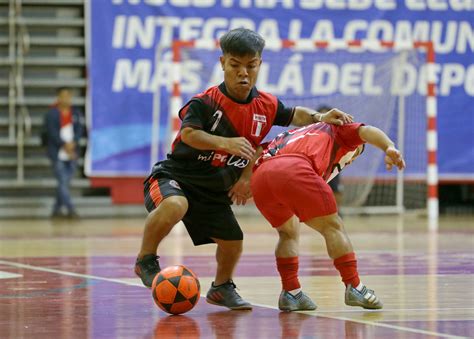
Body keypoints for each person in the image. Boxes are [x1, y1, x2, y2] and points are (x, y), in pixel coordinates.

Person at [134, 28, 354, 310]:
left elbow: (293, 114)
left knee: (233, 242)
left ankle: (221, 287)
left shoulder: (265, 104)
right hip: (174, 177)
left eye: (250, 66)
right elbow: (189, 135)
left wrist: (321, 116)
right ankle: (145, 260)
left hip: (213, 191)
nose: (243, 73)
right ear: (222, 62)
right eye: (235, 65)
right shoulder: (205, 102)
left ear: (259, 65)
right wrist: (226, 143)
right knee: (175, 205)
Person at [250, 120, 405, 311]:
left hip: (260, 177)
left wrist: (243, 181)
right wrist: (389, 147)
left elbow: (257, 151)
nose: (352, 158)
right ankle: (355, 286)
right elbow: (368, 131)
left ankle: (291, 292)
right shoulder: (338, 129)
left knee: (288, 233)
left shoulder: (294, 134)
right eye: (356, 153)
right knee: (333, 226)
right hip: (293, 168)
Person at [44, 87, 83, 218]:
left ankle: (56, 210)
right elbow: (52, 133)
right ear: (58, 98)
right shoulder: (51, 114)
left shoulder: (76, 113)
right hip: (57, 153)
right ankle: (71, 210)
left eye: (68, 96)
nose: (66, 99)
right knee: (62, 181)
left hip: (72, 153)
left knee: (64, 183)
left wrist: (73, 144)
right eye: (63, 96)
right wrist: (64, 145)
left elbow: (79, 131)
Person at [317, 105, 344, 211]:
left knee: (335, 189)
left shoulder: (337, 131)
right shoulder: (313, 131)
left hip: (332, 163)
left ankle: (337, 211)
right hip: (316, 164)